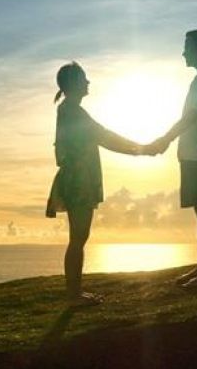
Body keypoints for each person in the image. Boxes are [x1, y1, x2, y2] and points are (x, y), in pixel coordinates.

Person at [47, 62, 147, 306]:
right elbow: (104, 136)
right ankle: (73, 295)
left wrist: (138, 149)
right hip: (79, 180)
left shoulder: (70, 110)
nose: (88, 82)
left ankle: (75, 292)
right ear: (73, 84)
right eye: (84, 79)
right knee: (78, 237)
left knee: (79, 237)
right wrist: (140, 149)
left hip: (80, 179)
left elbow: (101, 136)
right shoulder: (72, 111)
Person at [149, 29, 197, 287]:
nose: (183, 52)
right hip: (195, 153)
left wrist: (165, 139)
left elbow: (192, 116)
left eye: (187, 46)